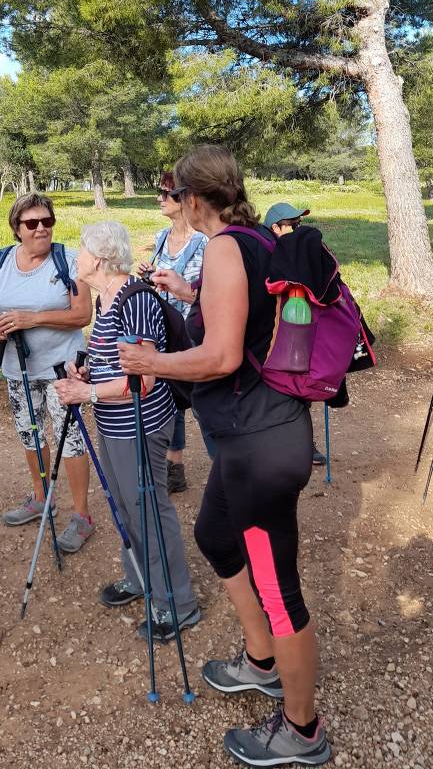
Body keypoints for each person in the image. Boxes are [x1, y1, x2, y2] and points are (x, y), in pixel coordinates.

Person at [119, 146, 331, 767]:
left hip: (258, 446)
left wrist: (151, 361)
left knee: (278, 584)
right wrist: (188, 292)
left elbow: (221, 357)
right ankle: (260, 658)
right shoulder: (256, 238)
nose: (171, 201)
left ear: (190, 197)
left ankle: (303, 729)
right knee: (214, 533)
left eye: (171, 191)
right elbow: (245, 319)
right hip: (259, 434)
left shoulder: (223, 246)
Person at [54, 220, 200, 643]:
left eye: (80, 249)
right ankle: (141, 577)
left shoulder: (133, 303)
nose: (75, 257)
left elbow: (145, 379)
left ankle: (178, 603)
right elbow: (115, 364)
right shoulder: (106, 299)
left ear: (98, 257)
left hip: (140, 423)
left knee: (148, 507)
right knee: (124, 504)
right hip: (115, 421)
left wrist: (87, 391)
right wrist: (87, 369)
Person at [0, 192, 94, 554]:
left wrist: (34, 318)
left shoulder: (67, 261)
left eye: (47, 221)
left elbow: (81, 315)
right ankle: (42, 498)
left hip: (62, 369)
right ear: (17, 228)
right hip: (18, 370)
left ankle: (82, 516)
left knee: (70, 440)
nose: (42, 228)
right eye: (32, 223)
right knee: (31, 436)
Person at [138, 171, 208, 492]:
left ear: (182, 199)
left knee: (204, 398)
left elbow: (210, 292)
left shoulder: (205, 241)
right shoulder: (161, 237)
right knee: (172, 398)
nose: (159, 199)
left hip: (195, 331)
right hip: (166, 329)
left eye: (164, 194)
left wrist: (182, 290)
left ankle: (225, 458)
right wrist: (151, 274)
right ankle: (174, 465)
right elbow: (164, 279)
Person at [263, 202, 327, 468]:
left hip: (299, 329)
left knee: (300, 382)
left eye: (299, 223)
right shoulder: (266, 253)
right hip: (273, 335)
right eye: (293, 224)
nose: (299, 228)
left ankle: (304, 443)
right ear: (275, 228)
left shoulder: (302, 251)